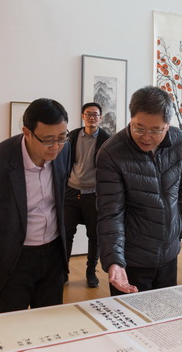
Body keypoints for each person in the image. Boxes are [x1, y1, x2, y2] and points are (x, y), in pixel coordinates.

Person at [0, 98, 71, 313]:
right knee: (11, 321)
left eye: (62, 137)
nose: (56, 146)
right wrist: (2, 234)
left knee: (50, 320)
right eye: (49, 140)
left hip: (53, 253)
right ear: (27, 132)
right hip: (13, 257)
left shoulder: (62, 152)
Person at [96, 87, 182, 296]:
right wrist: (115, 260)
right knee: (130, 313)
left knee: (165, 310)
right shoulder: (112, 153)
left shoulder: (179, 142)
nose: (146, 137)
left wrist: (181, 232)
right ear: (131, 119)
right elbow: (110, 212)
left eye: (156, 130)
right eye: (139, 128)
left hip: (168, 253)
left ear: (167, 125)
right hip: (132, 258)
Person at [64, 102, 110, 288]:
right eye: (88, 114)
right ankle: (63, 271)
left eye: (95, 114)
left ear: (100, 117)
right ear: (83, 116)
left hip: (94, 194)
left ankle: (91, 272)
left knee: (95, 235)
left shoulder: (106, 139)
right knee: (66, 234)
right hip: (71, 191)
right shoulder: (72, 136)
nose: (92, 117)